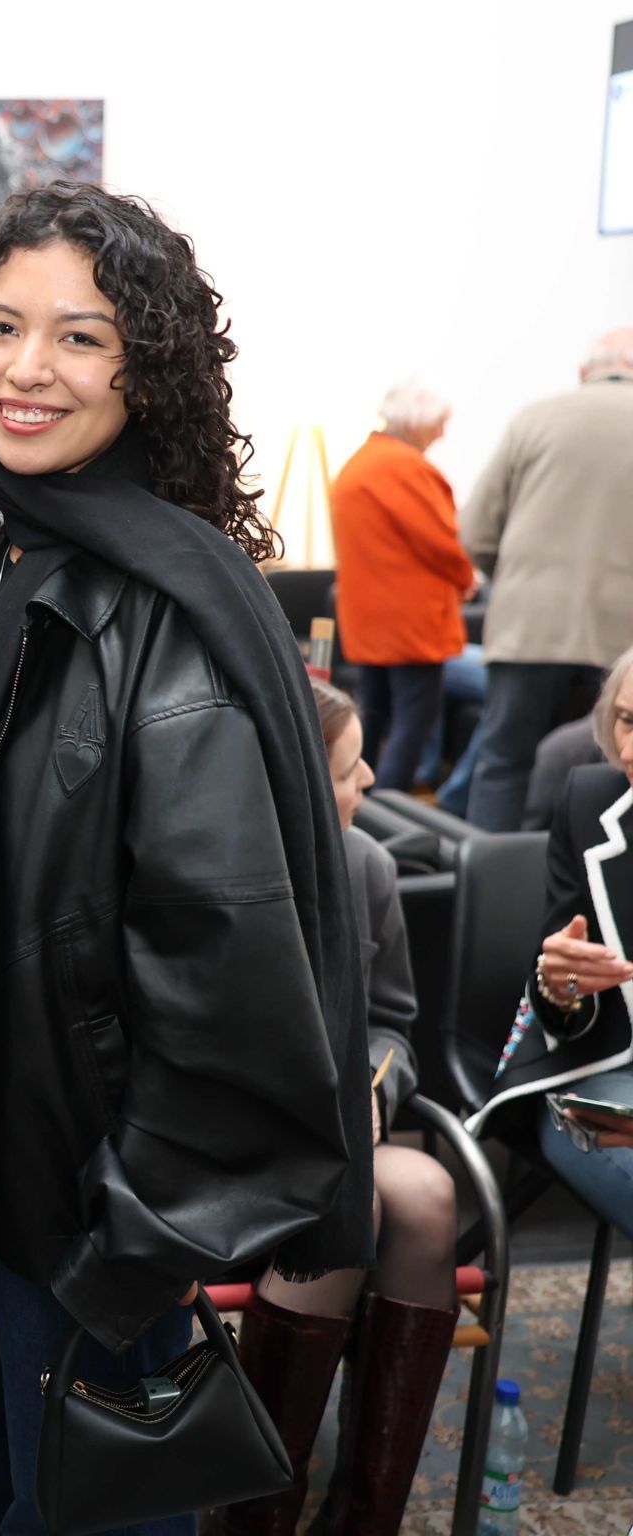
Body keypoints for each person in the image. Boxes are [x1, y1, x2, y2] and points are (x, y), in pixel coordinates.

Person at [0, 181, 369, 1536]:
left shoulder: (165, 614)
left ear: (148, 373)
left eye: (82, 338)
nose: (27, 369)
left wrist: (130, 1256)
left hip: (92, 1233)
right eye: (0, 327)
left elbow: (234, 982)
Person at [214, 677, 458, 1536]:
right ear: (299, 780)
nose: (371, 786)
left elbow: (394, 1023)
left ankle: (363, 1518)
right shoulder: (211, 868)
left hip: (340, 1138)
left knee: (426, 1196)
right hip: (223, 1145)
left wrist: (375, 1086)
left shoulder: (367, 866)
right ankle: (254, 1517)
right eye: (352, 770)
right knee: (351, 1197)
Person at [465, 643, 633, 1214]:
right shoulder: (589, 802)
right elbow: (561, 984)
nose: (628, 750)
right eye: (626, 721)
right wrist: (563, 984)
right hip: (605, 1065)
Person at [461, 328, 633, 829]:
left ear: (585, 372)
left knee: (502, 764)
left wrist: (516, 582)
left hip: (528, 629)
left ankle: (489, 895)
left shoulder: (532, 418)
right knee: (615, 768)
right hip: (622, 638)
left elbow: (474, 532)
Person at [330, 377, 478, 790]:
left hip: (369, 620)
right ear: (417, 421)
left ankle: (358, 796)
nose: (442, 433)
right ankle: (389, 802)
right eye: (440, 423)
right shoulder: (406, 468)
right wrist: (467, 579)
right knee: (415, 720)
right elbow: (440, 542)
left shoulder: (359, 463)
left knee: (374, 714)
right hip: (410, 622)